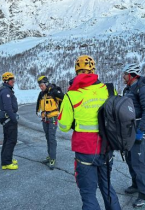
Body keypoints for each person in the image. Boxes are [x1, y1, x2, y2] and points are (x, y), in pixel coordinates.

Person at [58, 55, 121, 210]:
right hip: (107, 147)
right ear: (93, 70)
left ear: (76, 71)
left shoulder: (71, 95)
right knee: (107, 188)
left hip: (85, 150)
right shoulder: (109, 89)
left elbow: (63, 126)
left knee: (88, 194)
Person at [122, 64, 145, 208]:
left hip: (138, 129)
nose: (123, 76)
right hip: (128, 130)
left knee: (139, 162)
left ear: (132, 75)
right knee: (130, 159)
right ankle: (136, 185)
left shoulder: (143, 89)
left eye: (125, 74)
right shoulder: (128, 89)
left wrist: (141, 130)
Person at [36, 76, 64, 170]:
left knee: (51, 138)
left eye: (42, 85)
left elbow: (64, 99)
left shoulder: (53, 91)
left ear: (46, 84)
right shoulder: (42, 94)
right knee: (47, 137)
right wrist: (37, 111)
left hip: (53, 118)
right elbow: (38, 103)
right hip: (45, 119)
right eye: (40, 86)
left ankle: (53, 158)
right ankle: (50, 155)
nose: (41, 87)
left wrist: (62, 111)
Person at [0, 72, 19, 170]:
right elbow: (8, 107)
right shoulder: (6, 92)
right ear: (6, 81)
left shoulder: (6, 90)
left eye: (13, 80)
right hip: (8, 118)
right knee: (11, 140)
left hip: (7, 118)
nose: (13, 82)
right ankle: (7, 162)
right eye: (11, 80)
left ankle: (6, 159)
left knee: (7, 139)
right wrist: (14, 119)